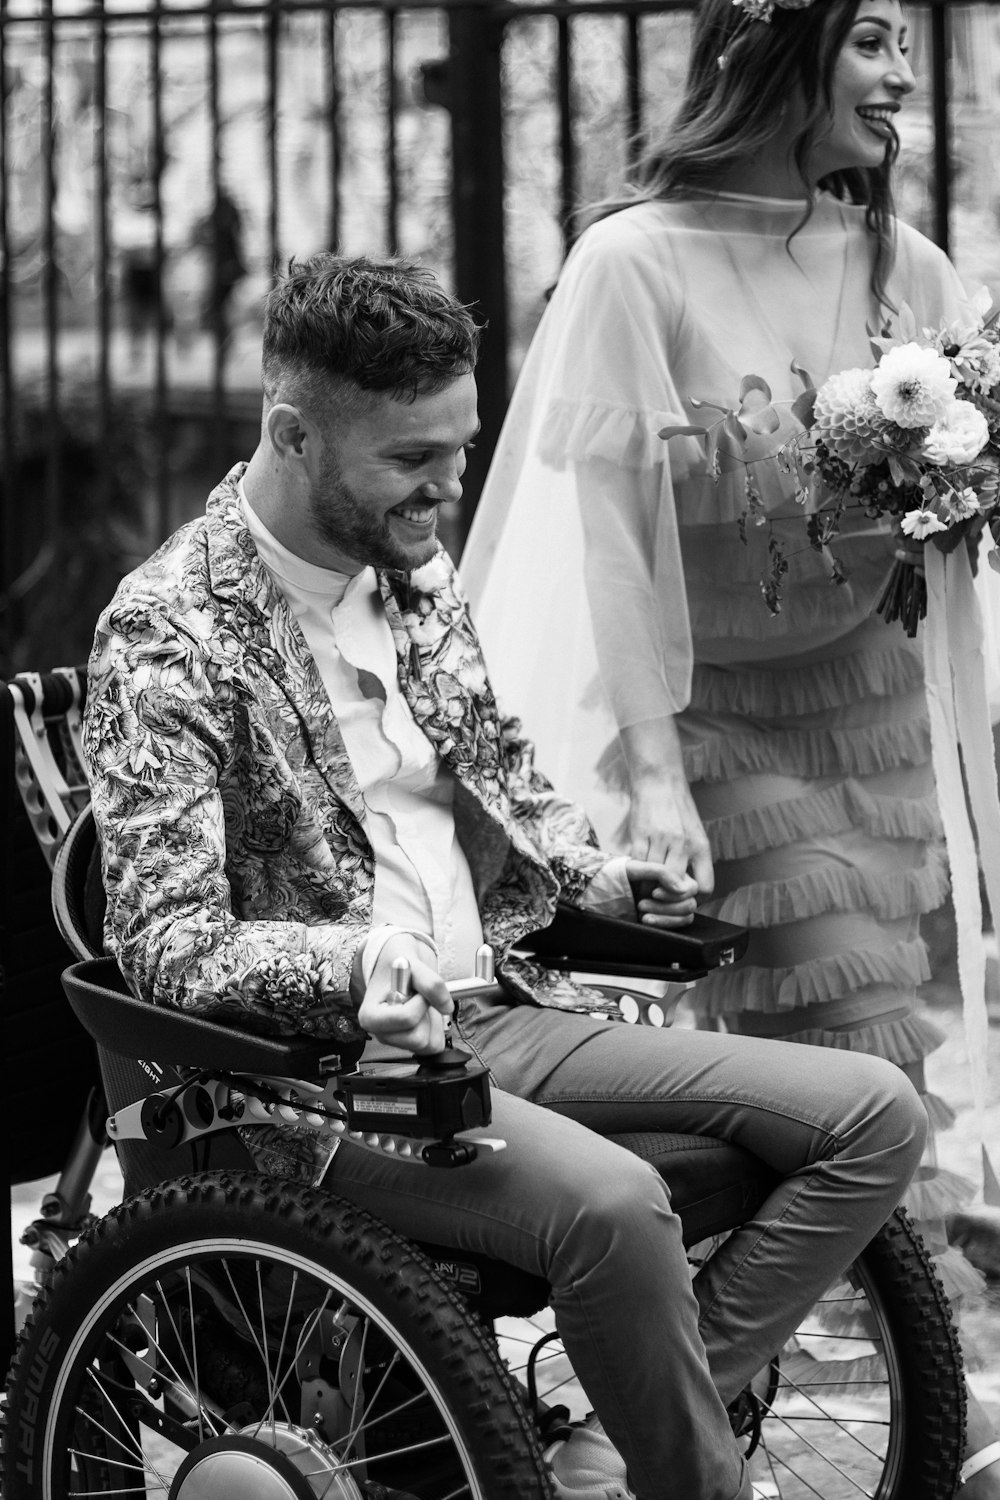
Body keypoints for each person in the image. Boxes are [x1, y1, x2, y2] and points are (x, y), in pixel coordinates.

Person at [84, 252, 929, 1500]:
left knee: (874, 1113)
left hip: (501, 1016)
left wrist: (604, 878)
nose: (448, 488)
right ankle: (690, 1478)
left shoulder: (416, 577)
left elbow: (509, 793)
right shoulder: (166, 631)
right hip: (321, 1079)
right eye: (412, 459)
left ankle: (607, 1444)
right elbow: (164, 938)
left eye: (460, 447)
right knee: (618, 1207)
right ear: (292, 435)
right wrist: (353, 961)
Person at [460, 2, 1000, 1493]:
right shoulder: (634, 263)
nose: (903, 75)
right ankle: (662, 1402)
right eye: (876, 36)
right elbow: (616, 541)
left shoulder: (910, 269)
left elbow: (938, 530)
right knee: (858, 1036)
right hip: (714, 711)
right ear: (783, 51)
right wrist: (642, 762)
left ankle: (670, 1384)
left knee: (822, 1061)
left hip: (874, 701)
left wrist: (942, 487)